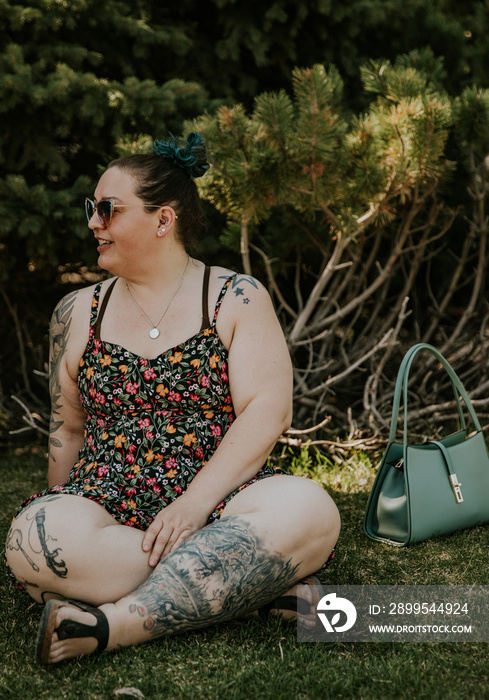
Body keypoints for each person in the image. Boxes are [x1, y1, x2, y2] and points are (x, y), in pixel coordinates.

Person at [5, 133, 340, 664]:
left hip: (223, 500)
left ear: (164, 220)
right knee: (35, 538)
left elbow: (267, 411)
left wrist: (194, 504)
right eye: (91, 209)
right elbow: (67, 429)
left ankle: (107, 624)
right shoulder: (75, 311)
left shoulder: (236, 297)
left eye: (108, 210)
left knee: (310, 510)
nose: (93, 222)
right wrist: (65, 513)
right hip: (109, 498)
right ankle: (253, 587)